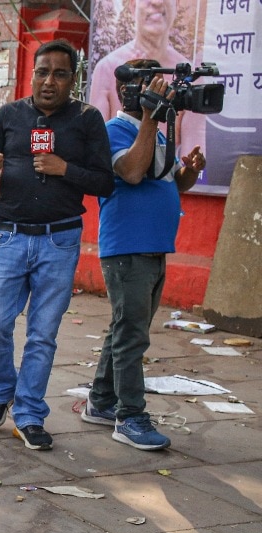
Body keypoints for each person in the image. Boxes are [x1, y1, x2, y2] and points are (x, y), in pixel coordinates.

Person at [0, 39, 115, 451]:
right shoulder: (10, 115)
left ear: (73, 79)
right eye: (42, 71)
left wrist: (64, 168)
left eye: (59, 73)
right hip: (9, 236)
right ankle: (1, 391)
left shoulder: (87, 120)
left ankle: (30, 413)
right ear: (31, 74)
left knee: (42, 334)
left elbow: (105, 182)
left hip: (60, 238)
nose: (48, 80)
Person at [82, 59, 206, 451]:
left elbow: (167, 180)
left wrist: (190, 171)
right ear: (127, 91)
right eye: (150, 84)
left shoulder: (155, 132)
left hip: (153, 248)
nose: (160, 89)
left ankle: (100, 403)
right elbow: (132, 173)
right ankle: (130, 416)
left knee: (125, 329)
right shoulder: (113, 131)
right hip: (127, 248)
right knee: (132, 334)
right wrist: (152, 118)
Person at [88, 0, 204, 159]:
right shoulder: (107, 68)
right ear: (132, 6)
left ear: (176, 6)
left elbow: (192, 158)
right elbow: (96, 148)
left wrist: (190, 170)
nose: (156, 2)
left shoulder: (189, 76)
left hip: (166, 176)